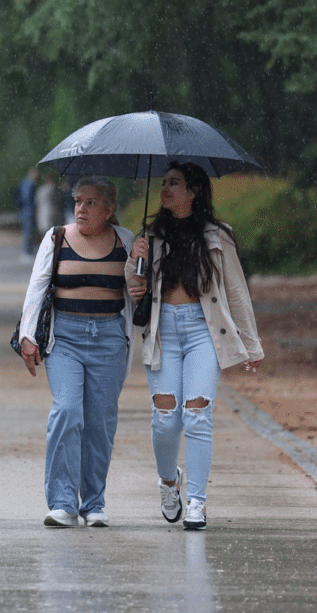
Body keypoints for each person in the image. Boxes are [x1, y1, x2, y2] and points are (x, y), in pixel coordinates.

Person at [126, 161, 264, 531]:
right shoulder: (151, 235)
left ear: (193, 191)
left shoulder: (218, 235)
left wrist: (252, 346)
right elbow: (135, 289)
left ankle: (198, 503)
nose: (165, 189)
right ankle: (170, 482)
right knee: (165, 421)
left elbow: (236, 292)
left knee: (197, 416)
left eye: (174, 183)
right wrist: (135, 259)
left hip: (204, 332)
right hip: (163, 332)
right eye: (164, 183)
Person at [19, 176, 135, 528]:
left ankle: (94, 503)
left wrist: (143, 264)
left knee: (100, 421)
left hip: (109, 338)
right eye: (78, 201)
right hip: (64, 339)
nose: (81, 209)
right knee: (68, 411)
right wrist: (28, 335)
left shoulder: (127, 241)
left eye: (91, 203)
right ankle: (63, 502)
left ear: (109, 209)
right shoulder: (57, 237)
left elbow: (143, 296)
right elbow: (38, 285)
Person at [17, 167, 40, 262]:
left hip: (25, 211)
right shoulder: (29, 184)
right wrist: (33, 210)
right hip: (28, 211)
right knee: (28, 232)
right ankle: (27, 252)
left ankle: (28, 251)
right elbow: (27, 198)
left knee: (28, 232)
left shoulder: (24, 183)